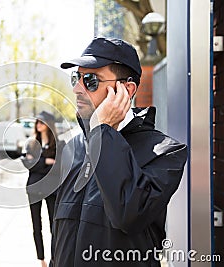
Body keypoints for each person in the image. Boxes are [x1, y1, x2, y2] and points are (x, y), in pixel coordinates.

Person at [50, 37, 188, 266]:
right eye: (76, 78)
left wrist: (103, 131)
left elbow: (129, 215)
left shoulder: (166, 153)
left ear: (127, 89)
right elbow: (59, 233)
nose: (76, 89)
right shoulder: (73, 148)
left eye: (90, 80)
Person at [22, 111, 60, 267]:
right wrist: (46, 161)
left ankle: (55, 257)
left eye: (42, 122)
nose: (39, 125)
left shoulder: (59, 143)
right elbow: (27, 163)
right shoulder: (31, 144)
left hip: (52, 189)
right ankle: (41, 258)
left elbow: (59, 167)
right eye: (37, 122)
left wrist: (38, 163)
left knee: (54, 225)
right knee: (36, 225)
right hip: (34, 189)